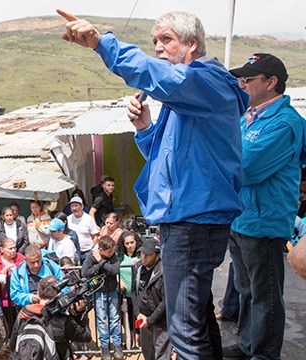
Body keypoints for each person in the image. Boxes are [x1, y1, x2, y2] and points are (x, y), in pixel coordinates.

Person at [58, 9, 248, 359]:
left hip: (193, 222)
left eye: (167, 39)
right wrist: (146, 127)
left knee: (185, 329)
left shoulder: (206, 82)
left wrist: (103, 44)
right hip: (188, 219)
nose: (158, 47)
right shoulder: (188, 100)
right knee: (198, 317)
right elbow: (164, 157)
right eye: (155, 41)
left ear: (192, 44)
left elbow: (157, 75)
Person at [224, 53, 306, 360]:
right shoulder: (248, 118)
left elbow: (248, 168)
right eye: (240, 78)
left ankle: (264, 354)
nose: (241, 84)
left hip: (264, 222)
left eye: (248, 79)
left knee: (266, 298)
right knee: (246, 291)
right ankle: (247, 345)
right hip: (240, 219)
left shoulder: (285, 123)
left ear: (271, 83)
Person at [10, 276, 91, 359]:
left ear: (38, 293)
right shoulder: (63, 320)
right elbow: (86, 336)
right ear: (59, 295)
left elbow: (13, 345)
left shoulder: (23, 314)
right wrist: (80, 314)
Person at [82, 235, 122, 360]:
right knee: (102, 321)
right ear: (100, 249)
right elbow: (85, 273)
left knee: (115, 319)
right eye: (109, 251)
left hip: (112, 290)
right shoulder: (92, 255)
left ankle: (117, 345)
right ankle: (104, 347)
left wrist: (101, 261)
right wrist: (99, 265)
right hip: (99, 292)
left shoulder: (112, 256)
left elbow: (115, 270)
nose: (112, 253)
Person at [133, 238, 171, 360]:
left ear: (157, 255)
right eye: (142, 253)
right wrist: (138, 314)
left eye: (148, 254)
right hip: (144, 320)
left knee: (162, 356)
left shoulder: (164, 272)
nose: (143, 257)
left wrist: (150, 320)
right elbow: (133, 291)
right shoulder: (138, 268)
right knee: (148, 354)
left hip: (161, 323)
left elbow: (166, 301)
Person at [0, 237, 24, 332]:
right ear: (2, 249)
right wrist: (2, 273)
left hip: (19, 298)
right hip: (3, 299)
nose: (13, 251)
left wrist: (16, 270)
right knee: (7, 328)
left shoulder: (20, 257)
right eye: (10, 248)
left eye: (14, 248)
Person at [117, 231, 142, 337]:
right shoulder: (119, 256)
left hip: (138, 293)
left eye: (132, 242)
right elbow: (114, 271)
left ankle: (137, 338)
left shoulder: (141, 255)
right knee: (124, 317)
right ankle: (130, 337)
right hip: (123, 293)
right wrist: (119, 281)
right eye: (127, 243)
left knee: (137, 316)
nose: (130, 245)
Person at [67, 196, 98, 262]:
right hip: (73, 253)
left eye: (76, 206)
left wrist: (92, 250)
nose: (74, 208)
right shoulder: (68, 219)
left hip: (87, 252)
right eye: (72, 206)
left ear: (82, 206)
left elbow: (95, 236)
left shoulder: (89, 219)